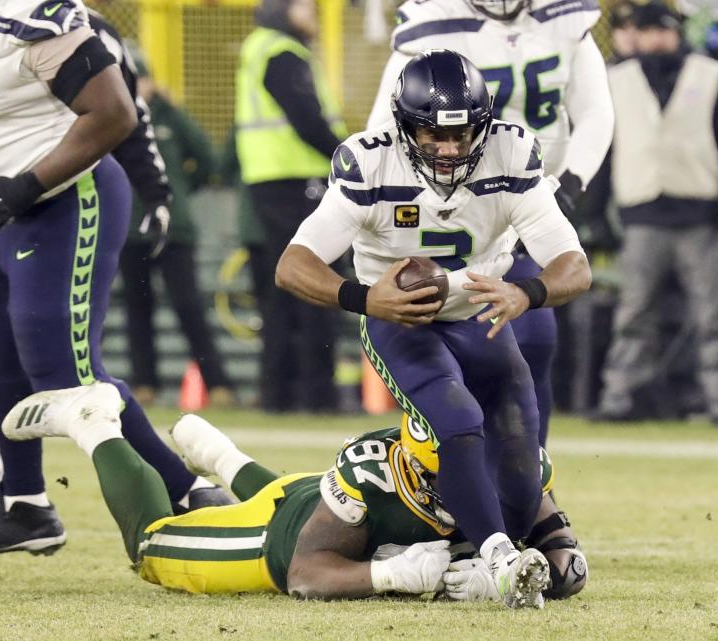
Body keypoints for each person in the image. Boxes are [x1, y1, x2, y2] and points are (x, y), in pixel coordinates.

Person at [0, 0, 230, 559]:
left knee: (65, 368)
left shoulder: (37, 16)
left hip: (63, 200)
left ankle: (189, 495)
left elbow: (114, 114)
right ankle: (24, 506)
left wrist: (29, 186)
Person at [276, 50, 592, 606]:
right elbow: (293, 265)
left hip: (479, 317)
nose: (448, 150)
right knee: (458, 418)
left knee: (522, 461)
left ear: (483, 124)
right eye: (432, 134)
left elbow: (574, 266)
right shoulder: (370, 162)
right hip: (402, 325)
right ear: (403, 125)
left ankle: (478, 557)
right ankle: (497, 558)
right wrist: (365, 298)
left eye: (462, 134)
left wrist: (526, 291)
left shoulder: (512, 153)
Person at [0, 381, 587, 604]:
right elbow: (307, 570)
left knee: (284, 494)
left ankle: (221, 463)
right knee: (153, 548)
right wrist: (393, 576)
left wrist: (531, 575)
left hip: (308, 498)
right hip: (277, 543)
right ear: (420, 462)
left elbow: (565, 555)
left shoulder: (519, 465)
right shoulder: (374, 472)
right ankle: (93, 420)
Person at [366, 0, 613, 447]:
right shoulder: (431, 23)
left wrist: (571, 184)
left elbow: (596, 111)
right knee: (456, 355)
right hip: (456, 206)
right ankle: (450, 466)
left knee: (535, 338)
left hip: (530, 198)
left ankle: (530, 476)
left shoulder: (564, 17)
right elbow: (382, 130)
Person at [594, 2, 718, 425]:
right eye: (647, 32)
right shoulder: (614, 79)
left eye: (663, 31)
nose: (656, 40)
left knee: (714, 312)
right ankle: (622, 396)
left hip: (700, 212)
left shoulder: (709, 73)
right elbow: (602, 152)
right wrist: (593, 215)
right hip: (641, 212)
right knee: (634, 313)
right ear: (635, 35)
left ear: (676, 33)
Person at [235, 0, 347, 412]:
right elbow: (307, 119)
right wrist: (350, 158)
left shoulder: (260, 48)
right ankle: (319, 395)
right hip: (297, 180)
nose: (315, 16)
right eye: (307, 7)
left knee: (283, 292)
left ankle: (278, 395)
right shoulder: (282, 52)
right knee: (318, 285)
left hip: (271, 181)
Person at [118, 59, 237, 408]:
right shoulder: (114, 115)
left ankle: (219, 386)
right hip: (130, 230)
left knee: (189, 309)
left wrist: (179, 191)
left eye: (141, 78)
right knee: (138, 312)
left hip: (174, 230)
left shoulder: (169, 116)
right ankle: (144, 385)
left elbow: (206, 160)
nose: (137, 86)